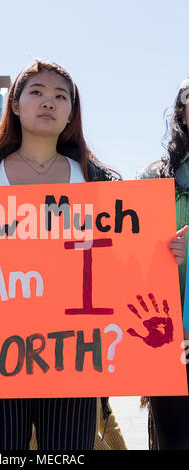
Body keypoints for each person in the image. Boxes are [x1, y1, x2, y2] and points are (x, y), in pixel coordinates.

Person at [0, 59, 186, 451]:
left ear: (71, 112)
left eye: (60, 96)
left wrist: (162, 255)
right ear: (14, 104)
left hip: (76, 361)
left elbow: (121, 264)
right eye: (37, 92)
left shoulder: (97, 179)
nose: (48, 101)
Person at [136, 77, 189, 450]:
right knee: (174, 437)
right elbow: (128, 254)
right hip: (169, 334)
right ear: (181, 110)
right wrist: (157, 250)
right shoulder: (154, 176)